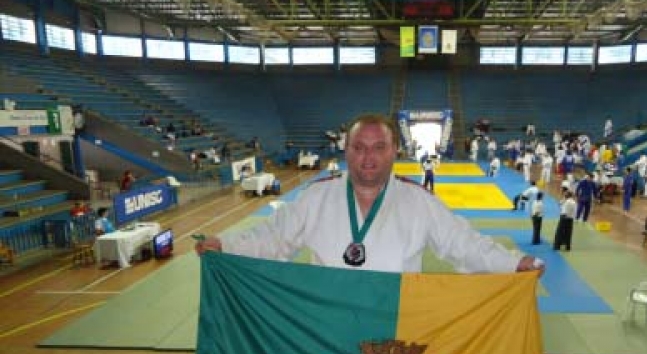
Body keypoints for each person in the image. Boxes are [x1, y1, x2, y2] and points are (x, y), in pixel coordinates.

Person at [195, 114, 545, 274]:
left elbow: (465, 246)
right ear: (345, 151)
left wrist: (515, 263)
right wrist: (225, 246)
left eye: (379, 147)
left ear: (395, 151)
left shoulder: (419, 203)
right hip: (326, 329)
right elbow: (271, 238)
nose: (368, 157)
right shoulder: (316, 198)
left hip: (395, 334)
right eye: (359, 147)